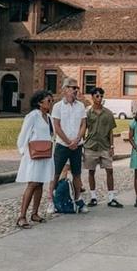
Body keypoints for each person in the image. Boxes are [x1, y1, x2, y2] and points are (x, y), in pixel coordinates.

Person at [48, 77, 89, 215]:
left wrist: (77, 139)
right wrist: (67, 141)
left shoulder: (81, 106)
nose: (76, 90)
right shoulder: (58, 106)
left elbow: (84, 124)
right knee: (56, 173)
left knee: (77, 174)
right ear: (65, 89)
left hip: (77, 145)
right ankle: (51, 201)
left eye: (76, 88)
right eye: (73, 88)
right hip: (62, 144)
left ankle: (78, 199)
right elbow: (57, 126)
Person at [15, 89, 55, 228]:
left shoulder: (49, 118)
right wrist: (23, 151)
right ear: (39, 102)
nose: (50, 103)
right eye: (48, 100)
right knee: (32, 183)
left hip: (46, 154)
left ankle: (35, 212)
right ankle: (22, 216)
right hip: (34, 155)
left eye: (52, 101)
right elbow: (23, 135)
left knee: (40, 183)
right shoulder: (32, 116)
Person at [83, 87, 123, 208]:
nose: (99, 98)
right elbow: (83, 128)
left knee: (109, 170)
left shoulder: (108, 113)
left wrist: (112, 146)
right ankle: (93, 197)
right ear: (92, 97)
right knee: (91, 171)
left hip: (105, 146)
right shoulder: (87, 113)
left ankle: (111, 197)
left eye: (101, 96)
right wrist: (83, 142)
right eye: (97, 96)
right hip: (91, 146)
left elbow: (110, 131)